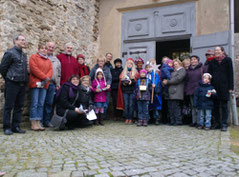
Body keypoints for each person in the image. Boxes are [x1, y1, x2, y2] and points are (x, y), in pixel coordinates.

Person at [0, 34, 29, 135]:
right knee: (9, 106)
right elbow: (3, 68)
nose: (24, 42)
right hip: (12, 83)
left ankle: (16, 126)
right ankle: (7, 127)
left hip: (22, 83)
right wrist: (8, 78)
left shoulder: (23, 55)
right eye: (21, 40)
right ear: (15, 41)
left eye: (24, 40)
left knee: (19, 106)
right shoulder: (10, 53)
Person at [208, 46, 234, 131]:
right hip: (214, 87)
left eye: (218, 50)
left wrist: (231, 87)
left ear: (222, 51)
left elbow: (230, 74)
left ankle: (224, 124)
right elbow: (209, 75)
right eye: (215, 50)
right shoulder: (212, 62)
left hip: (224, 87)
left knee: (224, 106)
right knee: (215, 106)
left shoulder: (227, 60)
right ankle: (217, 123)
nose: (216, 51)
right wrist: (209, 87)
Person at [29, 42, 53, 131]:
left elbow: (51, 70)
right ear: (38, 49)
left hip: (44, 84)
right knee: (34, 103)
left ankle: (38, 121)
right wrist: (45, 77)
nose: (44, 50)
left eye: (45, 48)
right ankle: (33, 122)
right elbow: (34, 69)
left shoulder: (48, 61)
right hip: (36, 83)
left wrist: (47, 78)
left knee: (41, 104)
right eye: (42, 48)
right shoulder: (34, 57)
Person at [42, 42, 61, 128]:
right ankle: (40, 121)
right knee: (41, 102)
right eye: (49, 46)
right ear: (46, 47)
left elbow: (58, 73)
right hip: (43, 83)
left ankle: (47, 121)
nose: (50, 48)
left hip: (52, 84)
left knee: (49, 103)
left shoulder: (56, 60)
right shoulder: (41, 57)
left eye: (52, 47)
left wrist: (58, 84)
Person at [163, 59, 186, 125]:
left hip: (177, 91)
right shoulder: (173, 71)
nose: (175, 65)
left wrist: (167, 82)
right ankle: (172, 121)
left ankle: (178, 121)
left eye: (176, 64)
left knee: (176, 107)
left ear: (180, 64)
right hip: (171, 91)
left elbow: (178, 79)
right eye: (174, 64)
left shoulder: (182, 70)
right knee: (171, 107)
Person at [184, 55, 203, 127]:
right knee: (193, 106)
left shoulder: (201, 68)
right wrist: (186, 89)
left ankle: (199, 122)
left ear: (197, 60)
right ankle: (194, 121)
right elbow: (186, 80)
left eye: (195, 59)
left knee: (198, 106)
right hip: (190, 90)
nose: (193, 61)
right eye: (192, 60)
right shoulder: (188, 70)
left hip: (199, 90)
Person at [119, 58, 139, 124]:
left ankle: (130, 118)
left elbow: (136, 82)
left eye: (131, 64)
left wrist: (132, 82)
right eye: (128, 63)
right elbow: (121, 83)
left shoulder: (135, 72)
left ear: (132, 65)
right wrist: (124, 83)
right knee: (126, 104)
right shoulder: (123, 72)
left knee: (131, 105)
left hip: (132, 91)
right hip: (125, 90)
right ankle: (126, 117)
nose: (129, 65)